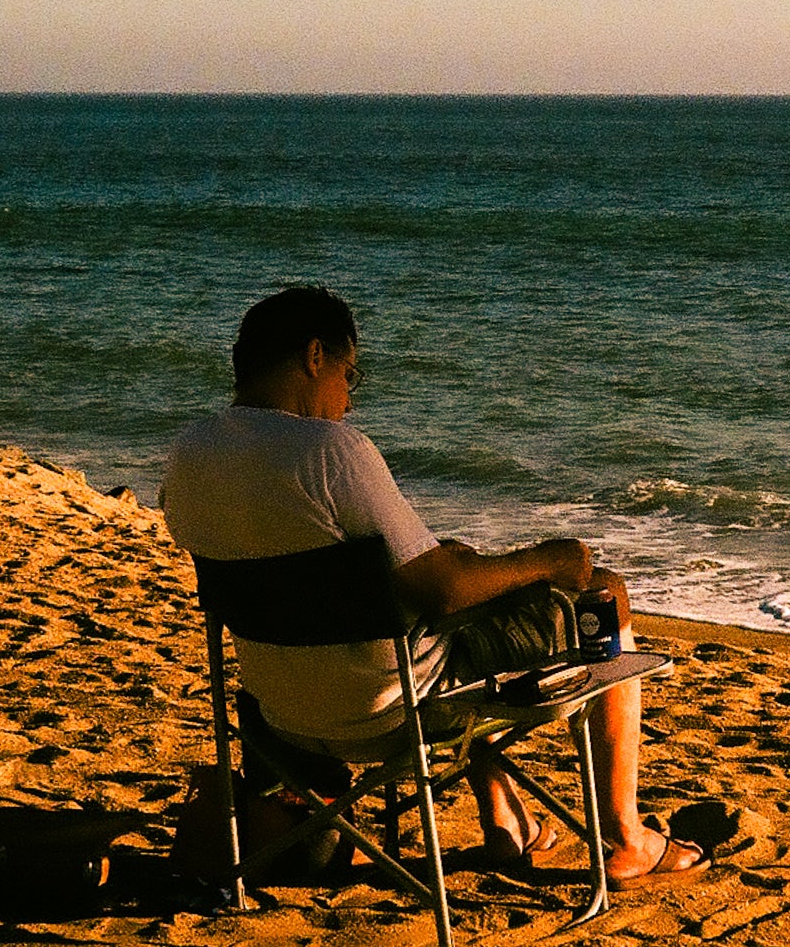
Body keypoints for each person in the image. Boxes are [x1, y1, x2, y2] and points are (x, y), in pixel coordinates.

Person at [161, 286, 706, 883]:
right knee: (602, 590)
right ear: (315, 356)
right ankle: (624, 834)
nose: (346, 400)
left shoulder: (190, 453)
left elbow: (319, 572)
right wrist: (549, 561)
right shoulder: (332, 451)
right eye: (349, 374)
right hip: (395, 709)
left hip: (281, 718)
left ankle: (506, 818)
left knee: (459, 616)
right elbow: (441, 592)